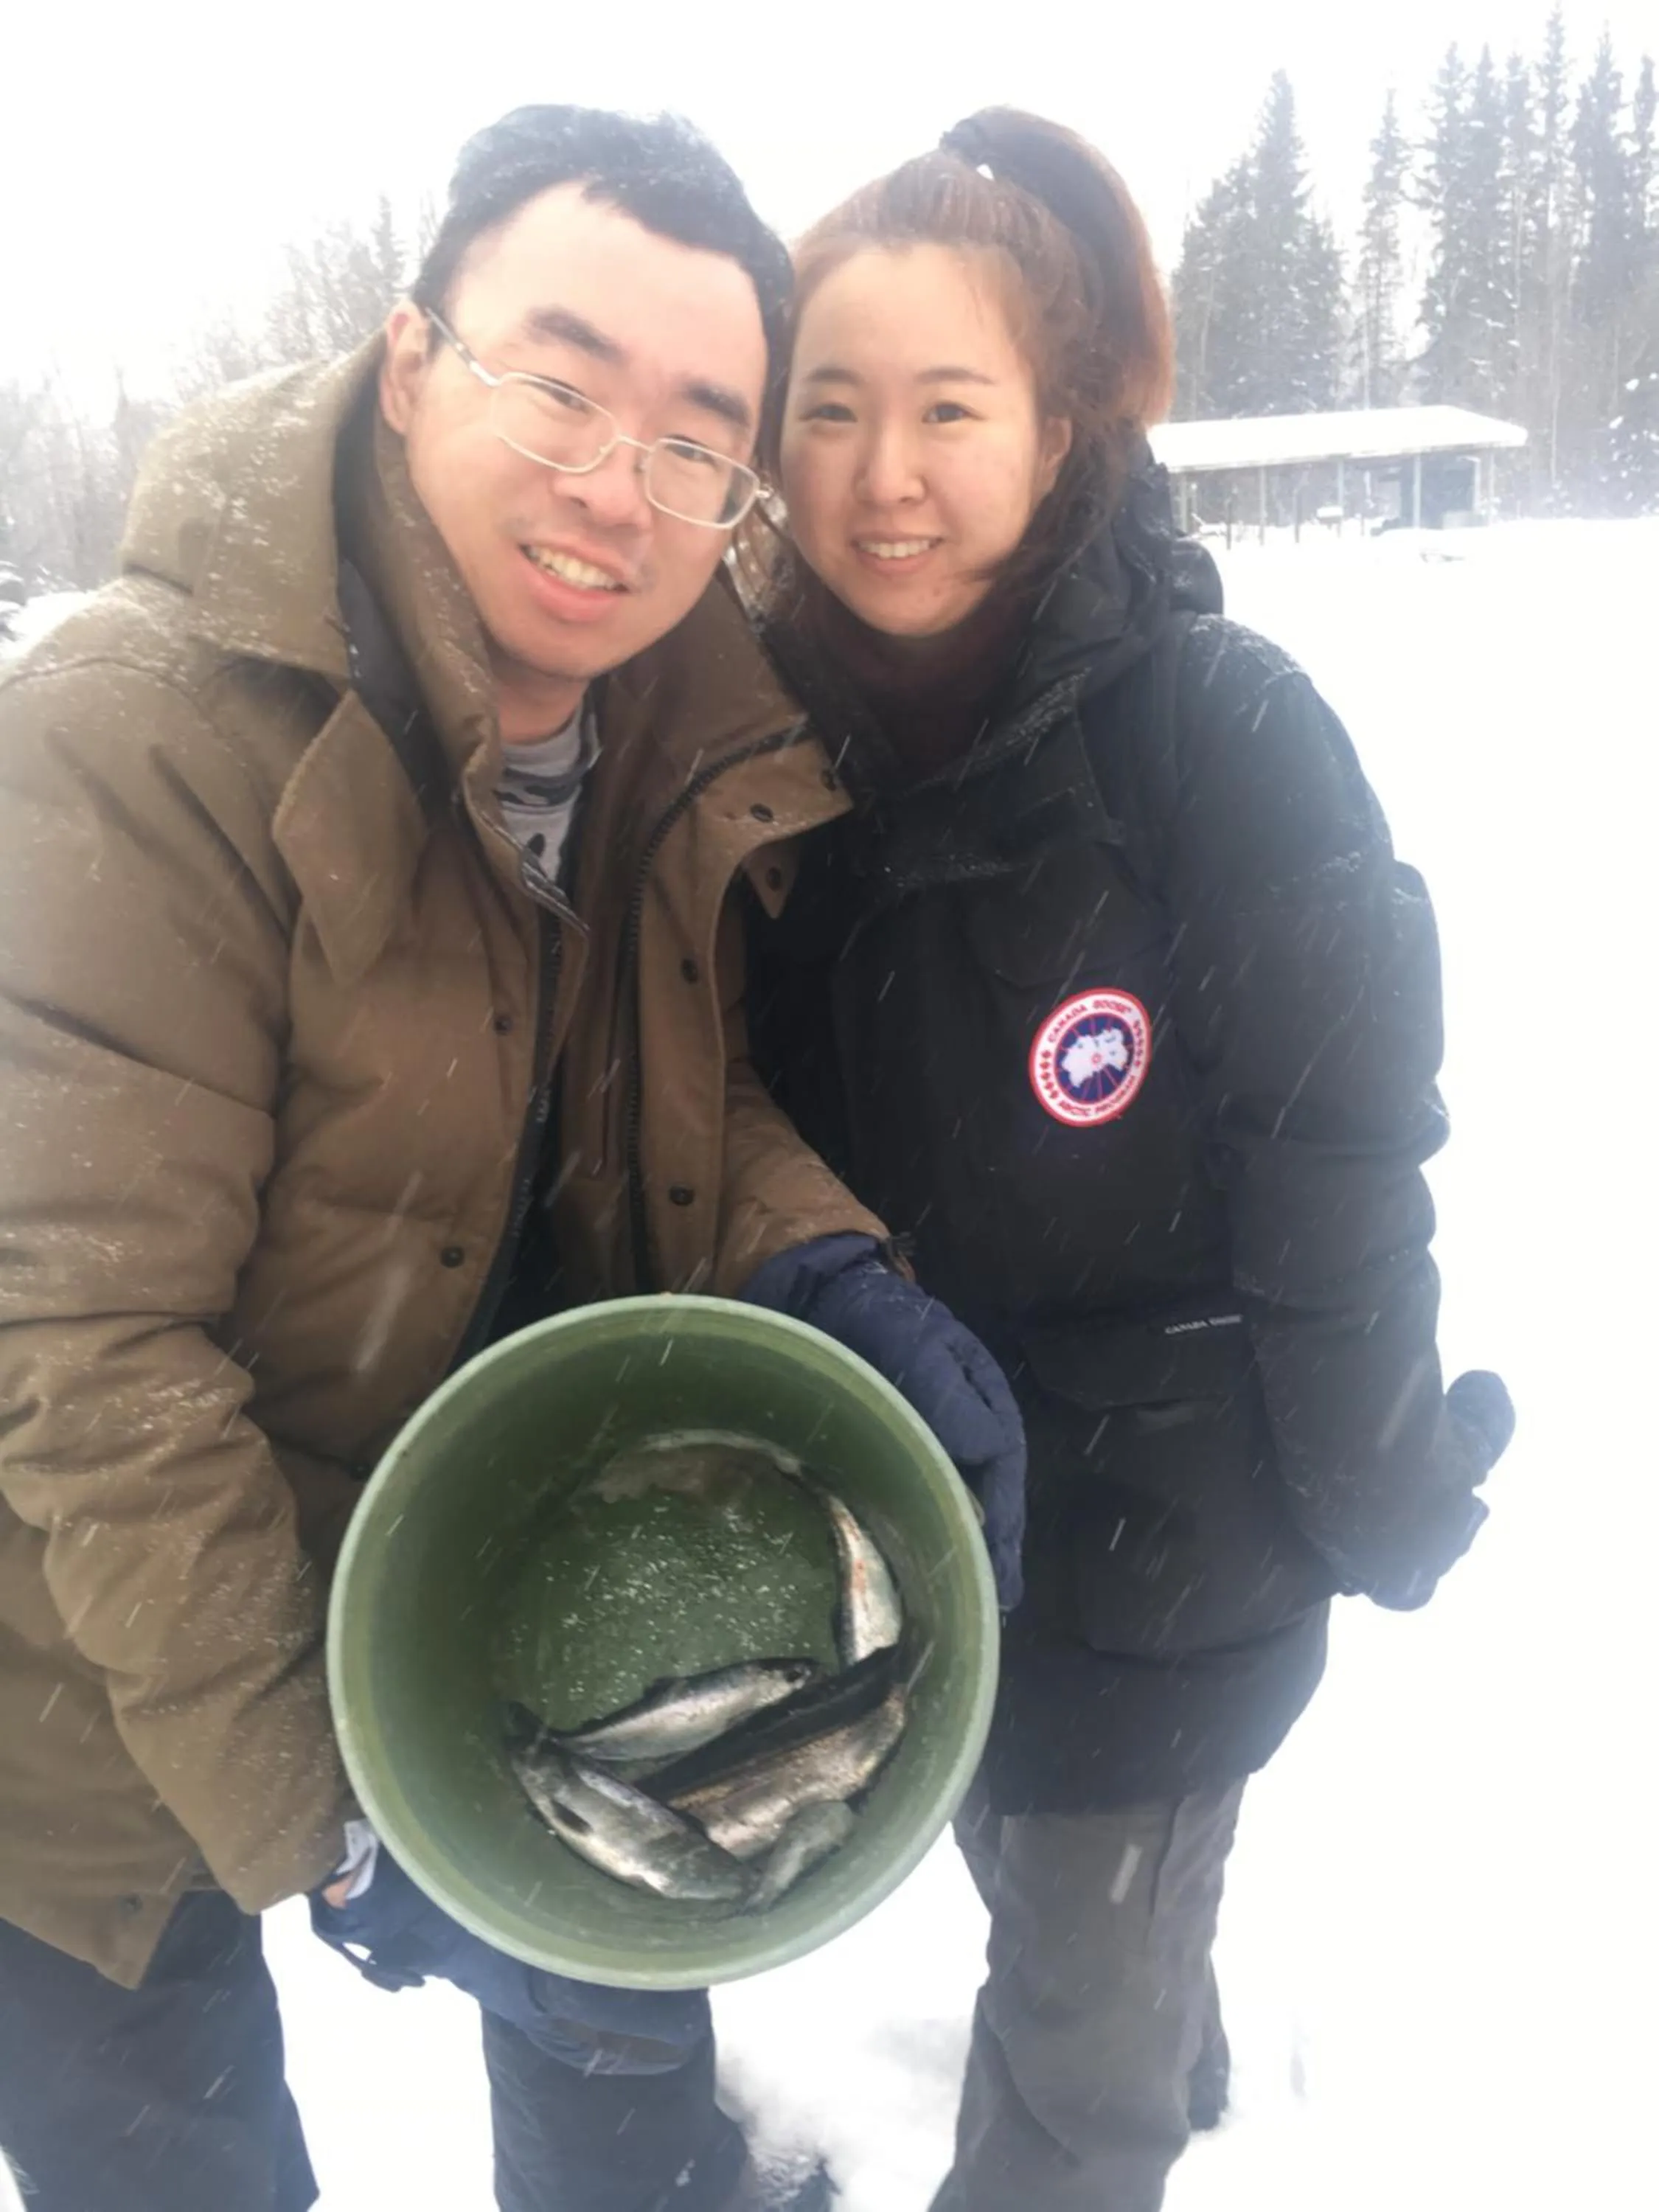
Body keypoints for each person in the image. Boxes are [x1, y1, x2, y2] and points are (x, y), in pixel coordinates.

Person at [0, 105, 1023, 2212]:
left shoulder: (662, 725)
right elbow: (81, 1347)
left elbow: (658, 1096)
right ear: (406, 359)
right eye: (558, 382)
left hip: (467, 1569)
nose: (609, 487)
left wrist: (825, 1274)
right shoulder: (132, 739)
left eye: (689, 440)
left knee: (611, 2028)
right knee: (170, 2153)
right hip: (63, 1683)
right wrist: (332, 1813)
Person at [742, 108, 1517, 2212]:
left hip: (1168, 1536)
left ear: (1064, 422)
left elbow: (1336, 1158)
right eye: (829, 408)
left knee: (1066, 2027)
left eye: (948, 407)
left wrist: (1378, 1492)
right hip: (908, 1509)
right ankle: (1161, 2028)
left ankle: (1124, 2089)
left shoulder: (1220, 732)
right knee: (1046, 1887)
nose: (883, 473)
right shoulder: (739, 743)